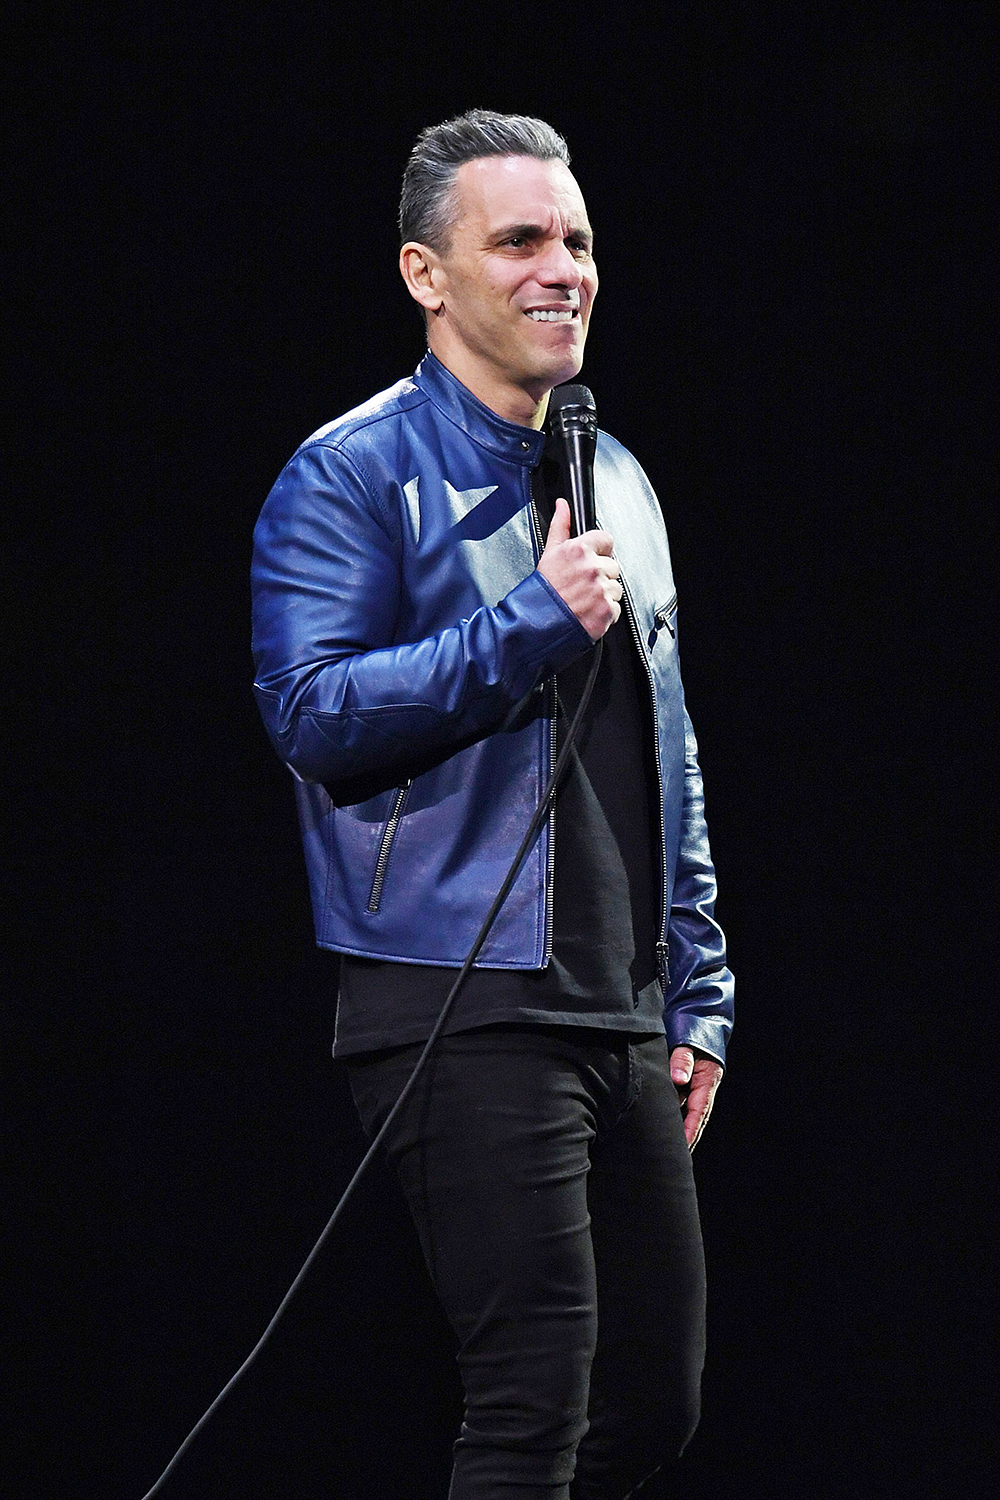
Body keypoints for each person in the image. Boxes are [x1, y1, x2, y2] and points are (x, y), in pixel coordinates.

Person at [252, 110, 733, 1500]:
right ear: (426, 274)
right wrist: (523, 626)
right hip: (455, 1001)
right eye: (519, 239)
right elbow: (311, 713)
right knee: (529, 1407)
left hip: (618, 1004)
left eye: (576, 240)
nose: (561, 268)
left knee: (656, 1401)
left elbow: (670, 753)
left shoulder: (620, 480)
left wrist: (697, 990)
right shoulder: (348, 475)